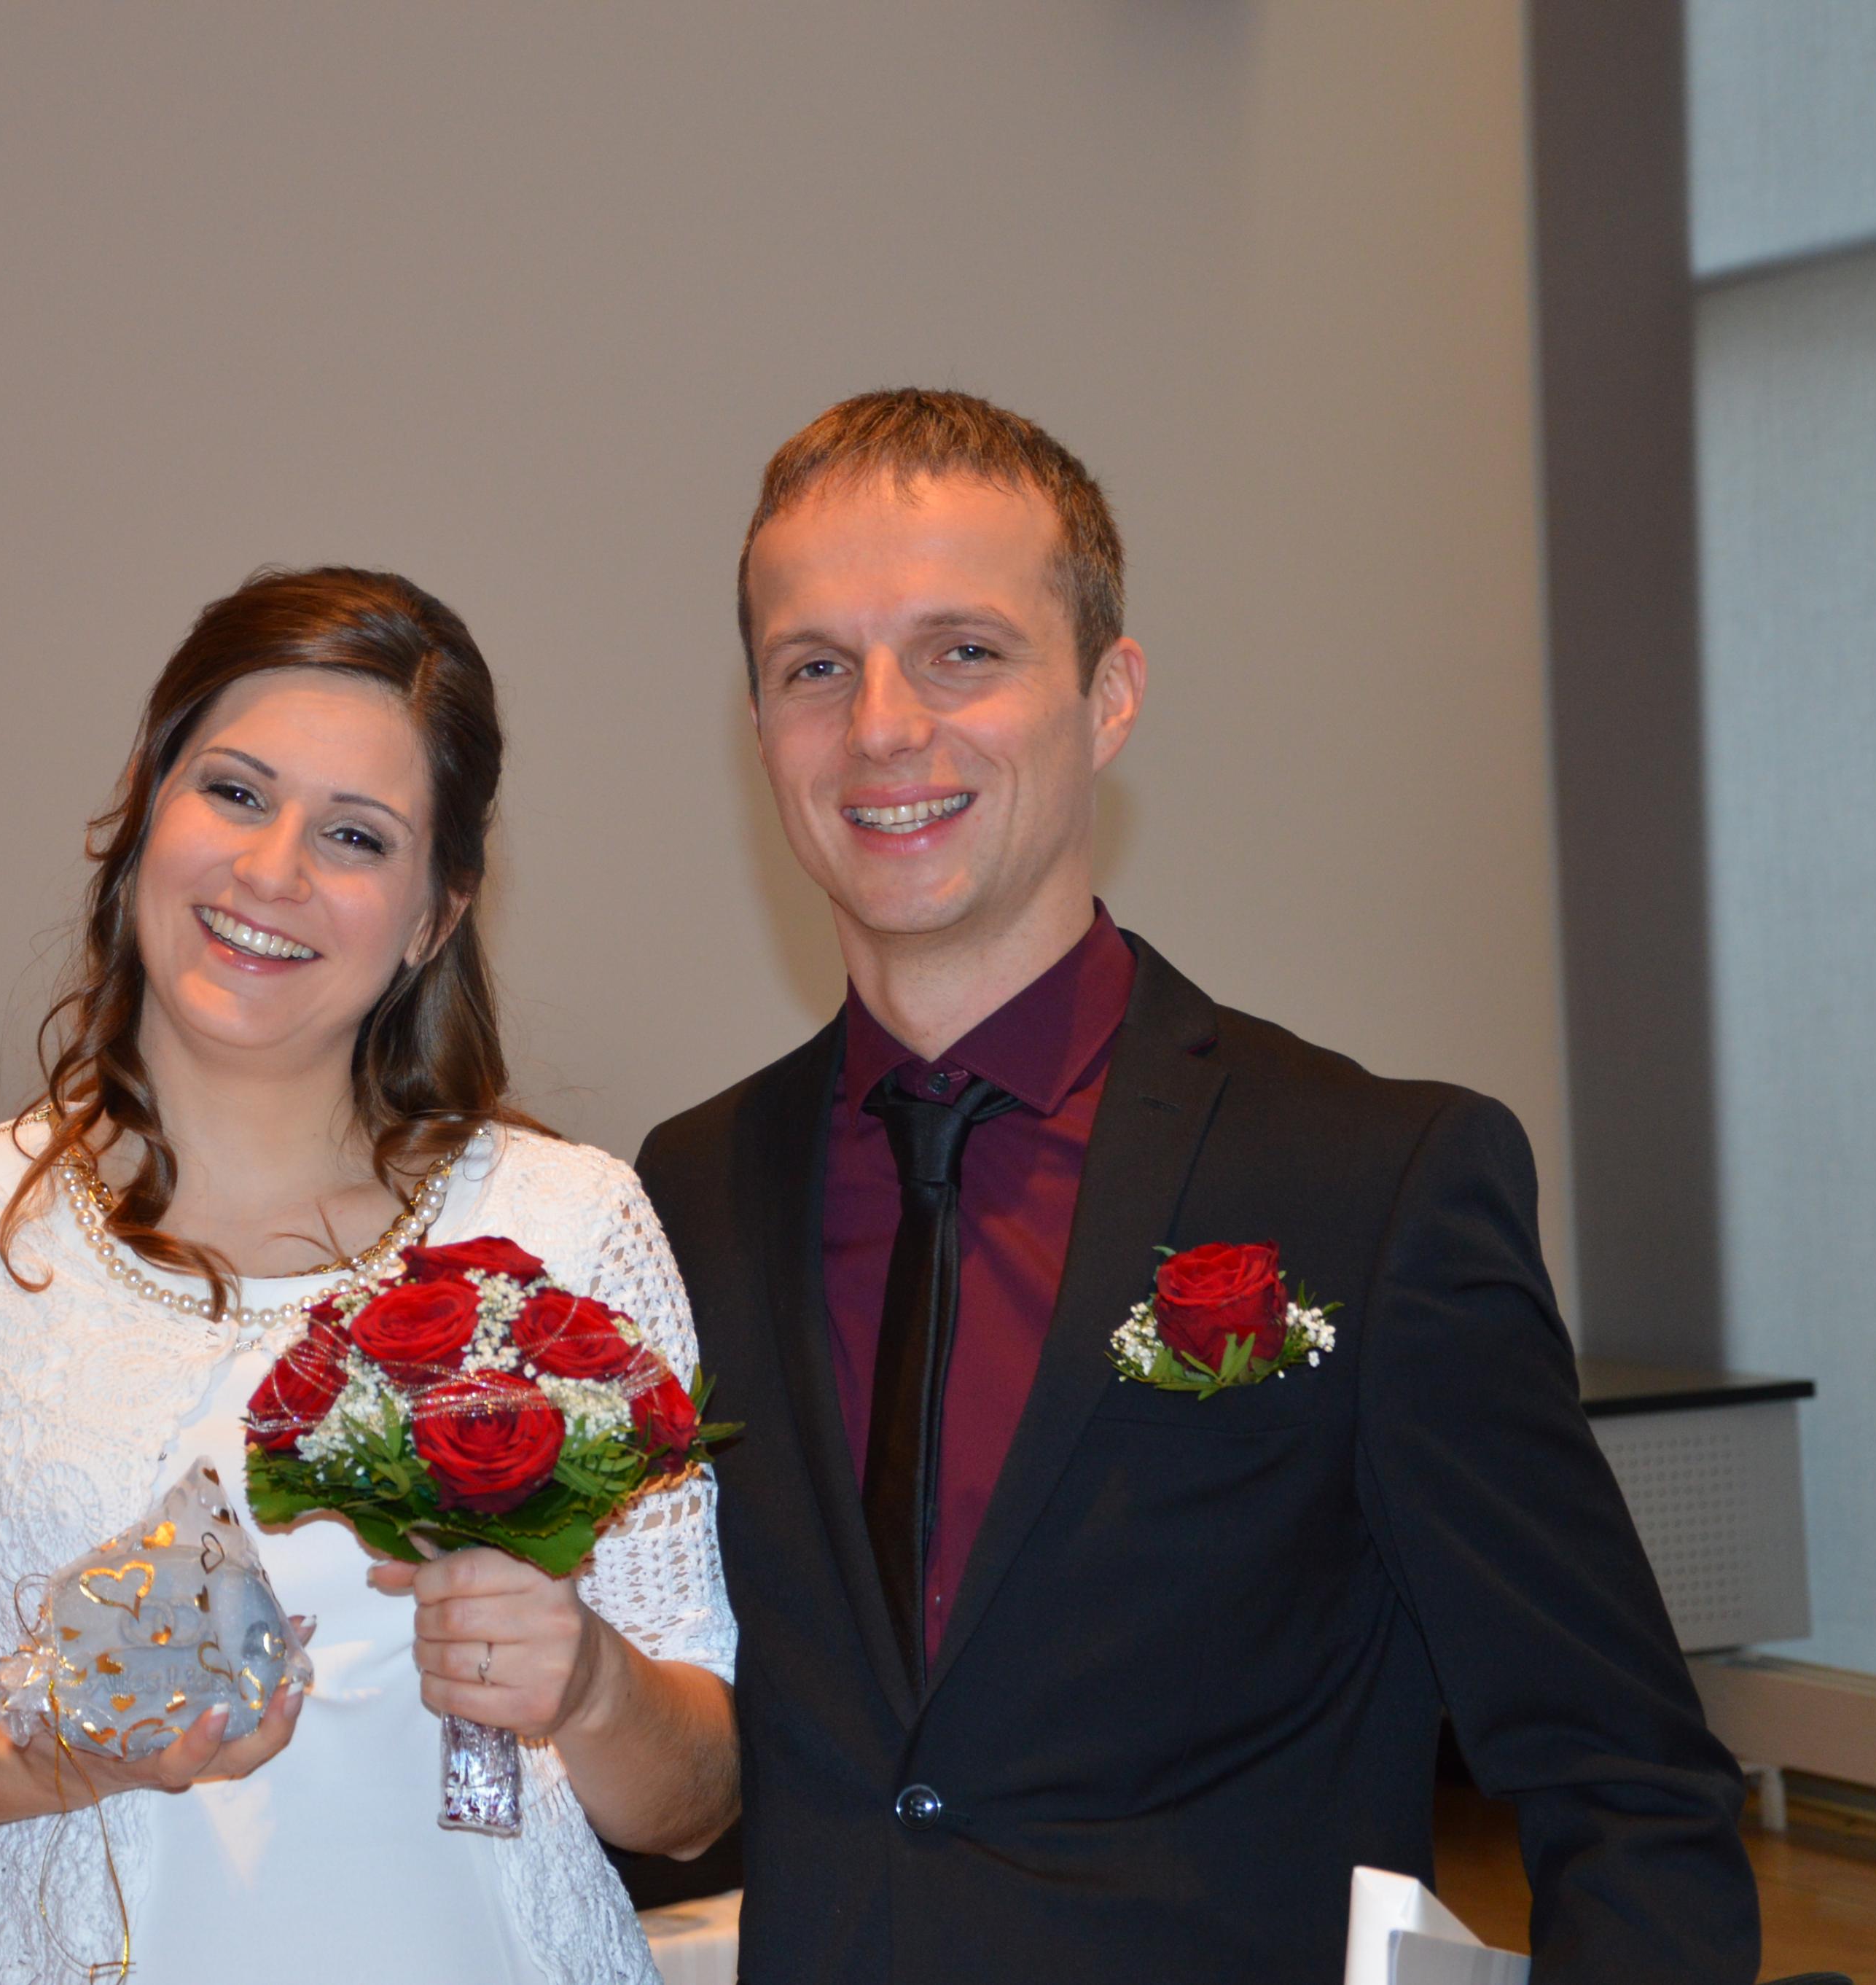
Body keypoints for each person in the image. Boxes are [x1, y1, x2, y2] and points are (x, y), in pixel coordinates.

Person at [634, 391, 1760, 1983]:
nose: (880, 726)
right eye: (814, 667)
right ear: (760, 726)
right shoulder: (686, 1195)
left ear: (1107, 698)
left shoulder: (1371, 1183)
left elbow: (1623, 1782)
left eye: (963, 651)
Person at [0, 567, 737, 1985]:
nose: (272, 872)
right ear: (146, 806)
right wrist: (52, 1763)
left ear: (436, 914)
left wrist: (589, 1683)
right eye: (236, 793)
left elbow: (693, 1800)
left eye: (356, 835)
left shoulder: (567, 1227)